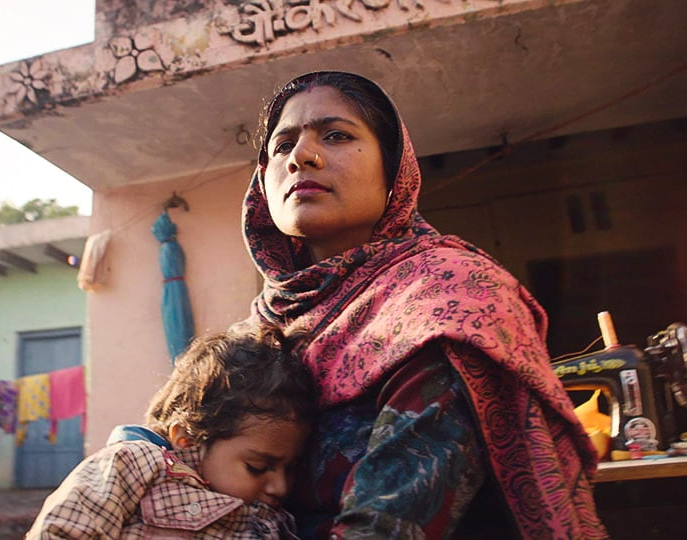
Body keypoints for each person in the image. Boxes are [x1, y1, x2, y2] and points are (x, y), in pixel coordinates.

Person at [240, 71, 608, 538]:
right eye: (282, 145)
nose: (301, 158)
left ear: (394, 170)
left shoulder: (449, 297)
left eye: (336, 135)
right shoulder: (261, 329)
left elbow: (386, 527)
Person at [27, 325, 317, 539]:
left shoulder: (273, 521)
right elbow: (60, 531)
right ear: (188, 439)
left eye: (290, 468)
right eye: (257, 467)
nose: (280, 487)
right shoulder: (137, 463)